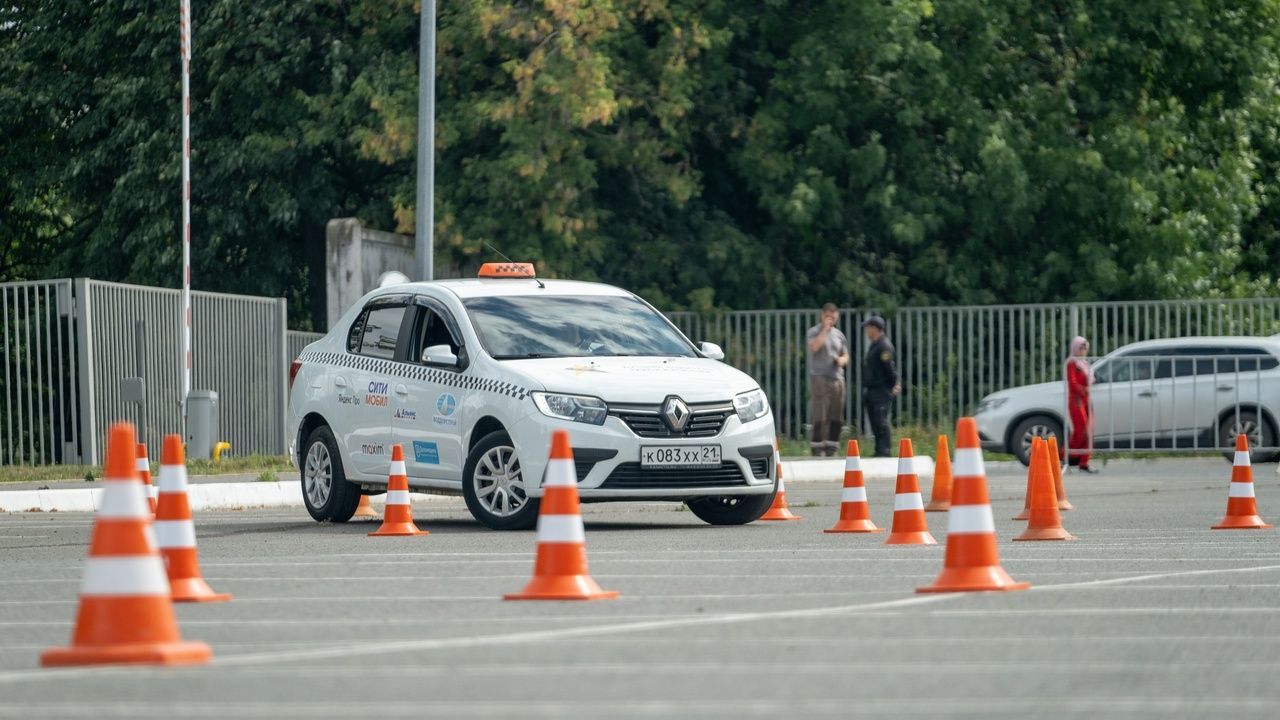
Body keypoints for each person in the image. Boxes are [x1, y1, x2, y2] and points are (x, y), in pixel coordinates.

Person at [805, 303, 849, 456]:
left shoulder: (839, 335)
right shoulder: (814, 331)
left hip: (837, 377)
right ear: (822, 315)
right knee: (820, 412)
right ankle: (817, 446)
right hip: (820, 377)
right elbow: (814, 347)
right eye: (828, 315)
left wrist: (841, 360)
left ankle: (832, 446)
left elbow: (845, 355)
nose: (831, 319)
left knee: (836, 412)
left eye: (833, 316)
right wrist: (824, 329)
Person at [861, 316, 900, 458]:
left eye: (868, 327)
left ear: (875, 328)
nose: (866, 330)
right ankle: (879, 450)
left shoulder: (884, 346)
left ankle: (885, 450)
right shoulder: (875, 344)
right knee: (875, 420)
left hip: (881, 389)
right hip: (873, 389)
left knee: (880, 420)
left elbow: (889, 367)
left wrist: (894, 384)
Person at [1065, 336, 1097, 473]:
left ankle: (1084, 461)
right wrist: (1084, 390)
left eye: (1085, 348)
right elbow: (1072, 383)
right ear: (1075, 349)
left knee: (1089, 431)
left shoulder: (1084, 364)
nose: (1083, 351)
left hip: (1086, 400)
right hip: (1077, 400)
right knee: (1081, 430)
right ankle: (1066, 456)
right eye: (1080, 348)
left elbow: (1091, 380)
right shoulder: (1072, 363)